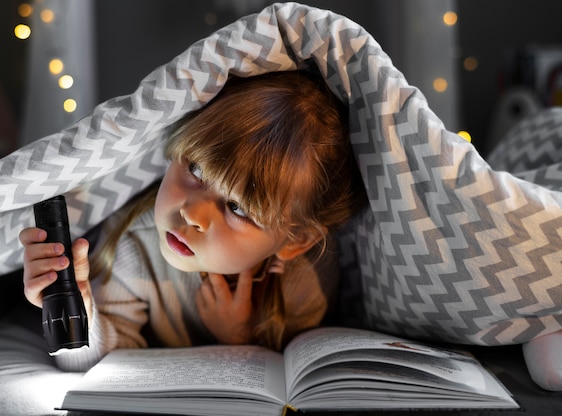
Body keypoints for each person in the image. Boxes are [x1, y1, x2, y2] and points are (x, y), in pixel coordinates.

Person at [19, 71, 368, 371]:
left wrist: (238, 339)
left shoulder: (307, 278)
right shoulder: (135, 245)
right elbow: (91, 365)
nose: (192, 214)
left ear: (295, 241)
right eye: (196, 169)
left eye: (238, 207)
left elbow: (291, 381)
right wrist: (79, 310)